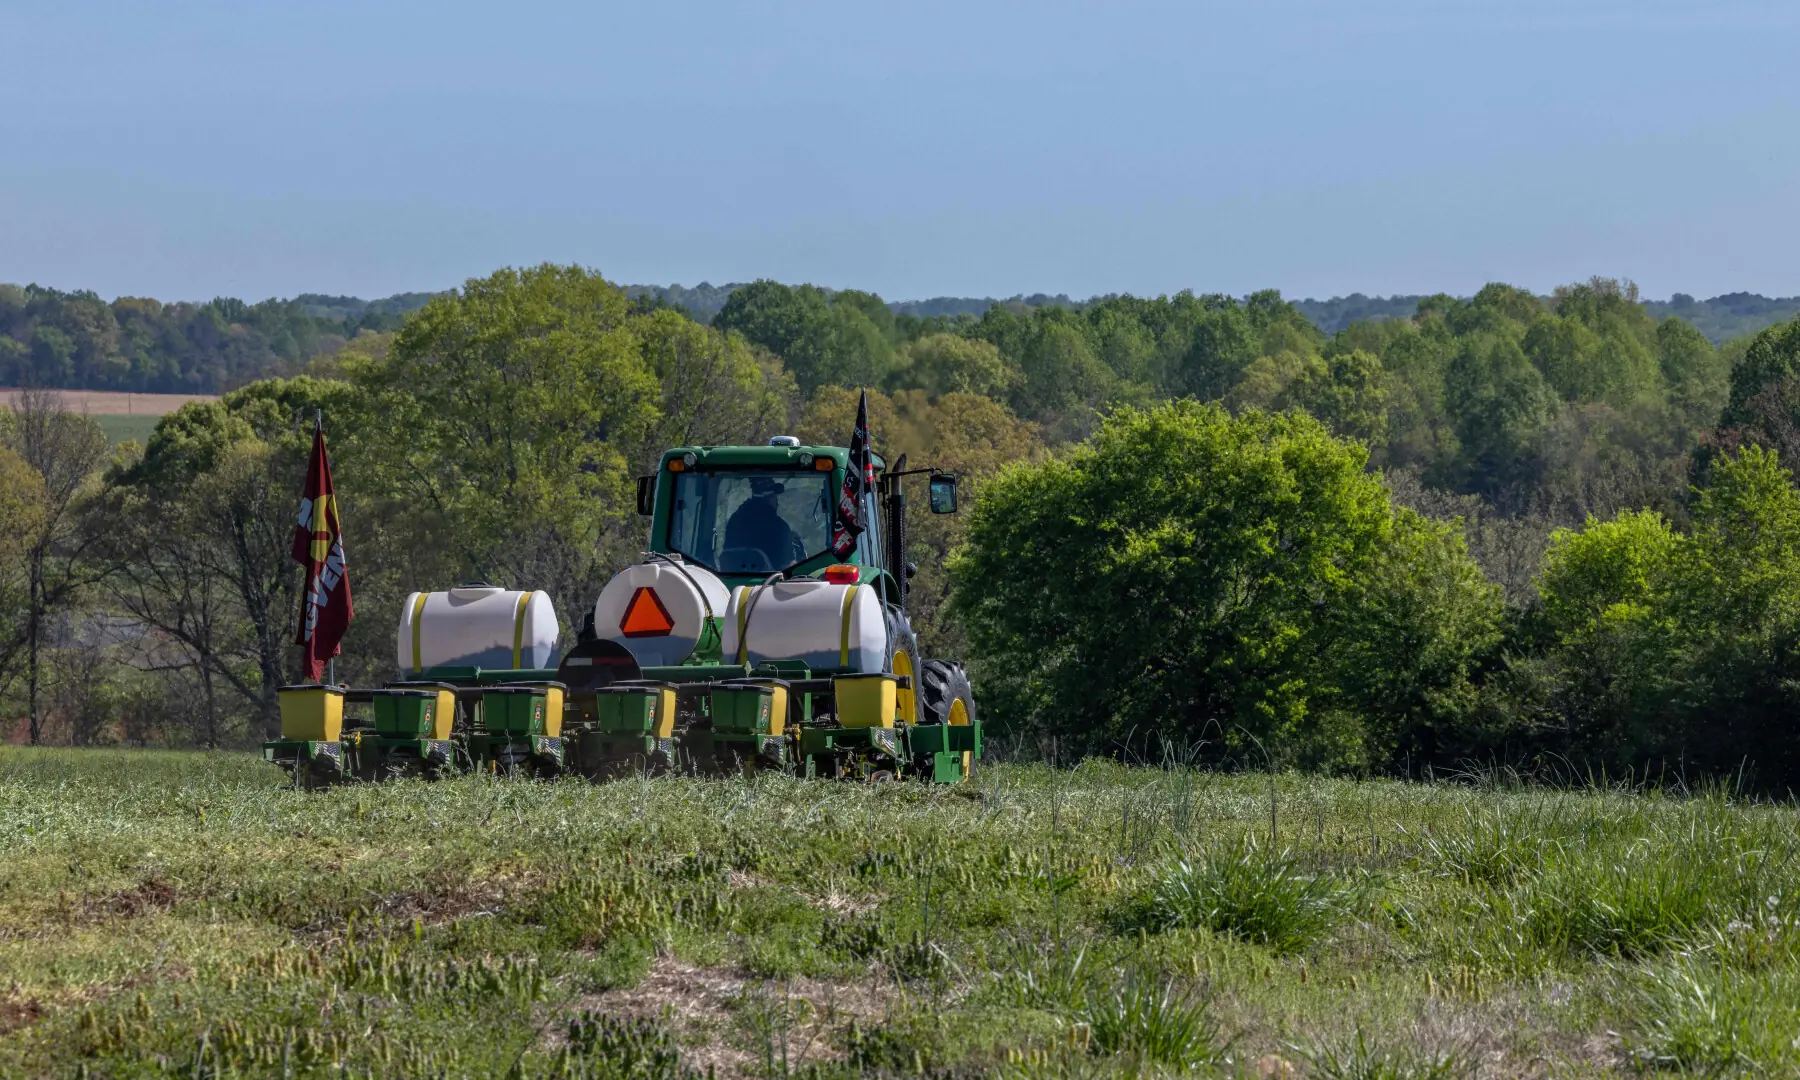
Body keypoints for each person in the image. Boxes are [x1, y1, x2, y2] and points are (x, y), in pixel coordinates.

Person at [723, 477, 797, 569]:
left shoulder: (734, 521)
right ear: (770, 497)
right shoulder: (779, 527)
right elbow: (787, 568)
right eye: (775, 496)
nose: (777, 502)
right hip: (769, 582)